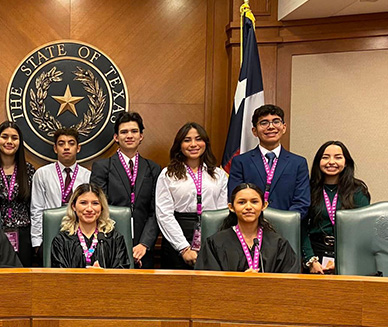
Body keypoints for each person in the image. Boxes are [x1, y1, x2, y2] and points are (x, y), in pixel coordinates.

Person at [90, 112, 161, 268]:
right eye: (124, 132)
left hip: (143, 247)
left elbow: (155, 211)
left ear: (141, 136)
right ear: (116, 137)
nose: (129, 135)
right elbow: (98, 209)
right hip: (110, 242)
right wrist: (115, 243)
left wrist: (144, 244)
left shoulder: (153, 168)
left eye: (134, 131)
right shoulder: (102, 167)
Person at [156, 122, 228, 269]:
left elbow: (222, 213)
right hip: (177, 233)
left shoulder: (218, 174)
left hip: (211, 233)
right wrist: (184, 248)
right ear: (179, 145)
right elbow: (164, 214)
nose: (193, 144)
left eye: (198, 139)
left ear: (205, 143)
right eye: (187, 140)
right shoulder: (167, 174)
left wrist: (210, 244)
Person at [195, 183, 300, 273]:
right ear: (231, 207)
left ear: (264, 205)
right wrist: (241, 282)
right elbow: (207, 283)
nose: (248, 207)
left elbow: (290, 283)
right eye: (242, 202)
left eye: (254, 202)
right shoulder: (215, 243)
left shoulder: (279, 244)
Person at [228, 104, 310, 218]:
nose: (271, 127)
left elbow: (302, 202)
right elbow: (236, 198)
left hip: (286, 229)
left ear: (284, 127)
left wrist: (285, 222)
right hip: (250, 228)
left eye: (276, 121)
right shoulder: (241, 162)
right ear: (254, 131)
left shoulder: (298, 163)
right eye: (264, 123)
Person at [302, 141, 370, 274]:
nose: (331, 161)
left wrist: (341, 261)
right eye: (325, 157)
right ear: (318, 162)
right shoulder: (308, 189)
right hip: (316, 254)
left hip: (348, 254)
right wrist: (310, 260)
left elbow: (363, 231)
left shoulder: (357, 190)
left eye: (338, 157)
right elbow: (301, 227)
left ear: (346, 163)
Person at [31, 127, 91, 256]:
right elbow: (36, 209)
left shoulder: (88, 176)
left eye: (71, 143)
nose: (66, 147)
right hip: (50, 234)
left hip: (79, 235)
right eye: (61, 143)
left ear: (78, 148)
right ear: (55, 148)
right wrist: (37, 241)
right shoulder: (42, 174)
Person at [0, 121, 36, 267]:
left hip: (23, 234)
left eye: (14, 138)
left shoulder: (28, 170)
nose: (9, 141)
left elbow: (34, 207)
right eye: (5, 137)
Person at [50, 183, 128, 269]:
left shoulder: (115, 239)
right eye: (83, 203)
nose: (89, 209)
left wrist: (102, 275)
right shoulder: (61, 241)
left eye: (95, 203)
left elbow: (122, 276)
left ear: (101, 207)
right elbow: (59, 277)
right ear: (73, 206)